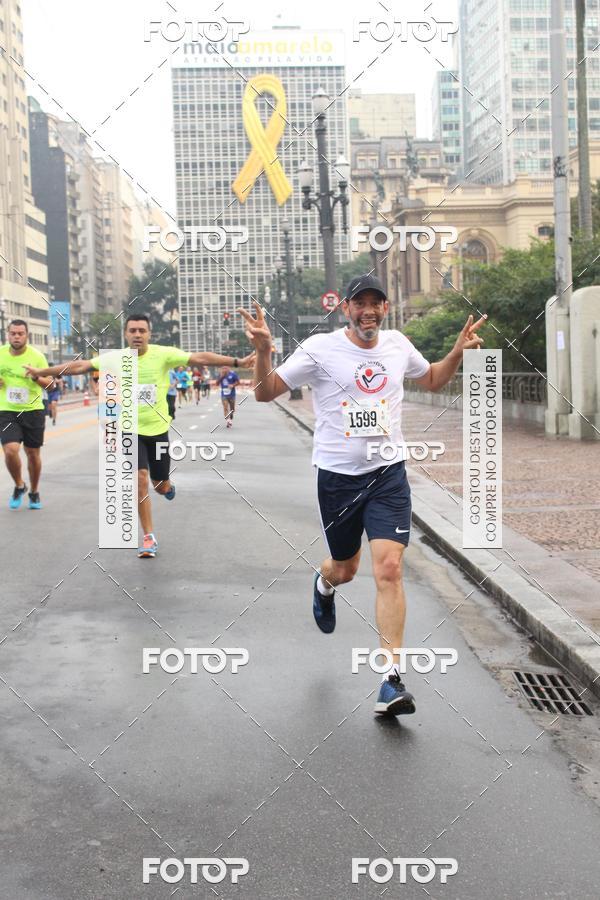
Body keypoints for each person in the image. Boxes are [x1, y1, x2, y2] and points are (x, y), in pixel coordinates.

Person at [240, 274, 485, 718]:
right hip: (337, 478)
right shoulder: (321, 348)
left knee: (389, 568)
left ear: (385, 309)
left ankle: (390, 681)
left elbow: (430, 380)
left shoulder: (397, 344)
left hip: (388, 474)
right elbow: (264, 393)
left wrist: (457, 353)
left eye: (376, 303)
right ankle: (324, 583)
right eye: (360, 303)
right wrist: (262, 352)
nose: (368, 310)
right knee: (346, 568)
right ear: (346, 308)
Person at [26, 314, 254, 557]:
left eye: (141, 330)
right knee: (139, 478)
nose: (137, 334)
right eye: (132, 330)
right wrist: (43, 370)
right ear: (126, 334)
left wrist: (237, 362)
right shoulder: (115, 358)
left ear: (149, 334)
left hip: (157, 431)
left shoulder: (164, 354)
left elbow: (199, 358)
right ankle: (148, 537)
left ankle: (167, 487)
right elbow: (81, 366)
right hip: (129, 429)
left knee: (159, 484)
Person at [0, 319, 54, 509]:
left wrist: (36, 376)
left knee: (32, 454)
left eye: (20, 333)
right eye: (13, 333)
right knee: (10, 450)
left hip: (32, 410)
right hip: (7, 410)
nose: (16, 336)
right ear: (8, 334)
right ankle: (19, 485)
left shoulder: (37, 357)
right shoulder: (1, 355)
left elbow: (51, 384)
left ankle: (34, 491)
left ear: (27, 335)